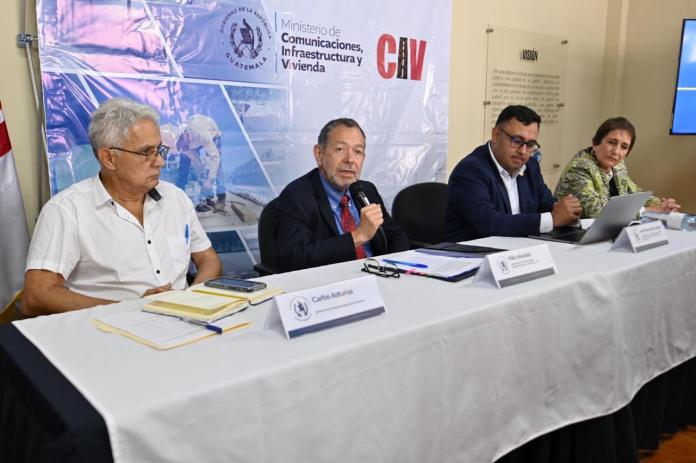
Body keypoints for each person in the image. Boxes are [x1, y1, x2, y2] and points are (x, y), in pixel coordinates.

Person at [22, 98, 222, 317]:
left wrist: (193, 298)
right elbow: (37, 297)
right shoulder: (66, 210)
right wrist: (130, 309)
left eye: (160, 150)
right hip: (106, 334)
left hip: (184, 324)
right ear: (109, 158)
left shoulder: (175, 198)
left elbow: (208, 259)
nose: (160, 162)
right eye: (147, 152)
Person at [275, 118, 410, 272]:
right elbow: (294, 258)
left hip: (377, 279)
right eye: (340, 149)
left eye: (358, 152)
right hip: (330, 288)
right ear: (319, 154)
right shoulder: (296, 196)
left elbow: (397, 237)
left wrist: (390, 269)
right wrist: (358, 236)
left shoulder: (366, 190)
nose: (350, 160)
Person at [445, 105, 582, 242]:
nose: (523, 151)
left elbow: (547, 205)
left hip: (519, 253)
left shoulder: (530, 166)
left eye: (530, 145)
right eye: (517, 141)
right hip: (474, 256)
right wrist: (552, 219)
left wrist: (567, 213)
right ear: (496, 135)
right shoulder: (470, 171)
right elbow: (489, 224)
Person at [554, 117, 680, 218]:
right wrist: (645, 211)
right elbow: (593, 210)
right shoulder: (580, 167)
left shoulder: (618, 166)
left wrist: (661, 205)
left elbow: (634, 193)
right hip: (569, 236)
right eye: (611, 142)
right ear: (595, 143)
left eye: (624, 147)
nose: (616, 151)